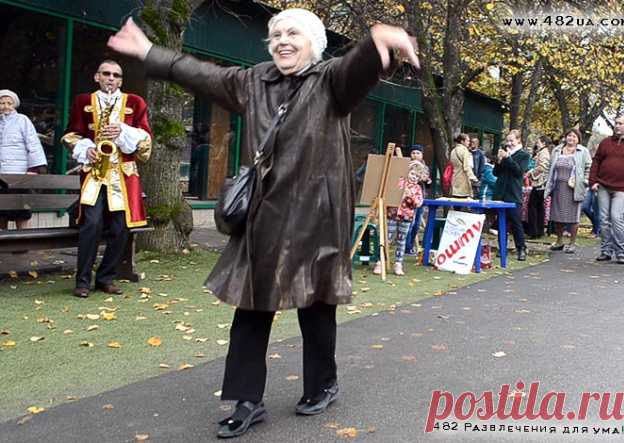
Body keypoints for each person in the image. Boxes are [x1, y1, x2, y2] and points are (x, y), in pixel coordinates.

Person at [107, 10, 419, 439]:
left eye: (293, 33)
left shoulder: (331, 81)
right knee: (251, 311)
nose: (282, 41)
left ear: (313, 41)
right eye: (275, 35)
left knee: (316, 308)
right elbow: (202, 74)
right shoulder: (253, 81)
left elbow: (357, 68)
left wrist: (376, 43)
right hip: (264, 219)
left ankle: (322, 385)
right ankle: (246, 401)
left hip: (317, 221)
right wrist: (148, 52)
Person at [61, 60, 152, 297]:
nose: (111, 78)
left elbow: (145, 143)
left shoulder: (135, 102)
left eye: (116, 75)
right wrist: (85, 148)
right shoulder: (83, 101)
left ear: (121, 80)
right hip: (94, 172)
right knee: (91, 224)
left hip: (123, 174)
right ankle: (82, 281)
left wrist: (123, 132)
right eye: (106, 73)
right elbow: (70, 135)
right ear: (97, 77)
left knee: (122, 227)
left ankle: (106, 278)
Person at [0, 89, 47, 229]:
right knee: (0, 211)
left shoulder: (22, 120)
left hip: (18, 174)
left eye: (9, 103)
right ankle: (1, 244)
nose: (6, 106)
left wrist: (34, 169)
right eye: (2, 103)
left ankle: (23, 246)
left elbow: (33, 144)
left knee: (21, 211)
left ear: (14, 105)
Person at [589, 114, 624, 264]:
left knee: (616, 218)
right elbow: (596, 162)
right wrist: (593, 182)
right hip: (603, 186)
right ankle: (606, 251)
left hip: (621, 189)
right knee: (603, 220)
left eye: (620, 123)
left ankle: (621, 252)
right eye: (616, 123)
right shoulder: (605, 142)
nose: (617, 126)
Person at [543, 129, 592, 253]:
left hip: (574, 188)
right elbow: (550, 166)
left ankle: (572, 243)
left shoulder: (583, 151)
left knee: (573, 217)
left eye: (574, 136)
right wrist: (546, 181)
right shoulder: (557, 150)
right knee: (558, 216)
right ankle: (559, 241)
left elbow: (589, 167)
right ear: (565, 137)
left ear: (578, 139)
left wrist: (585, 181)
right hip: (558, 187)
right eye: (569, 136)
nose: (571, 138)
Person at [374, 161, 425, 276]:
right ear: (408, 172)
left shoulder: (417, 189)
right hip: (392, 214)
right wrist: (400, 192)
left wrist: (409, 196)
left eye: (417, 176)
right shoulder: (400, 183)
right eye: (412, 174)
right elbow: (391, 193)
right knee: (387, 238)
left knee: (401, 240)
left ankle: (398, 263)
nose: (414, 177)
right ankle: (380, 262)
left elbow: (418, 203)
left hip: (406, 216)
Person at [493, 129, 531, 261]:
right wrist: (498, 161)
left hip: (514, 193)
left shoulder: (523, 155)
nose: (509, 143)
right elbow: (496, 173)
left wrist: (508, 158)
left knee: (516, 222)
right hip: (501, 192)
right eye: (507, 140)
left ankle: (521, 248)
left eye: (512, 140)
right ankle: (502, 247)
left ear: (518, 140)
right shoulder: (504, 154)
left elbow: (519, 172)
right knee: (501, 222)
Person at [404, 144, 431, 255]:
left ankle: (410, 245)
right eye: (413, 153)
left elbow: (427, 182)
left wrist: (427, 181)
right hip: (409, 198)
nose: (415, 155)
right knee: (410, 223)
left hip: (421, 198)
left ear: (422, 155)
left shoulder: (425, 167)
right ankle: (407, 247)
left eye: (418, 153)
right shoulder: (407, 165)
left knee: (417, 223)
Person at [525, 136, 552, 238]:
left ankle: (534, 231)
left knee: (533, 207)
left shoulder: (543, 153)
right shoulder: (543, 152)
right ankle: (539, 230)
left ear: (544, 143)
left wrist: (530, 173)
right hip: (541, 184)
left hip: (540, 184)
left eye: (539, 142)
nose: (537, 144)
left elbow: (542, 167)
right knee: (539, 207)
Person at [450, 133, 478, 199]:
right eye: (467, 141)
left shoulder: (453, 150)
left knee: (455, 201)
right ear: (462, 141)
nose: (469, 142)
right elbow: (467, 167)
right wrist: (474, 178)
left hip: (454, 179)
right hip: (463, 181)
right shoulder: (464, 151)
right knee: (463, 202)